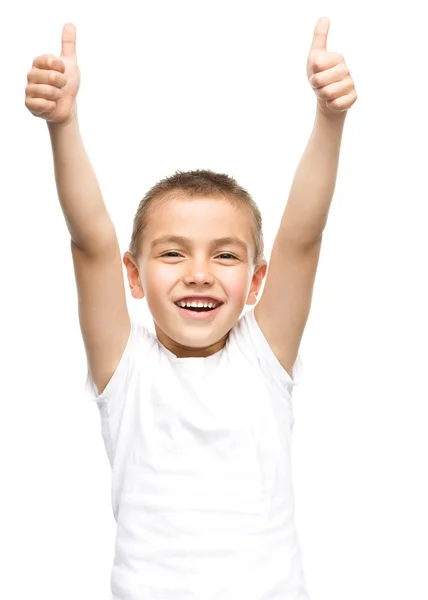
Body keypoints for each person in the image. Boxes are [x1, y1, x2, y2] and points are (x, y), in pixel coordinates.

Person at [25, 16, 357, 600]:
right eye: (172, 253)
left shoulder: (263, 356)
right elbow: (91, 241)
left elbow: (302, 236)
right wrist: (63, 123)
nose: (199, 273)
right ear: (133, 275)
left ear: (256, 282)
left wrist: (330, 118)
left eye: (225, 256)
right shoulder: (126, 368)